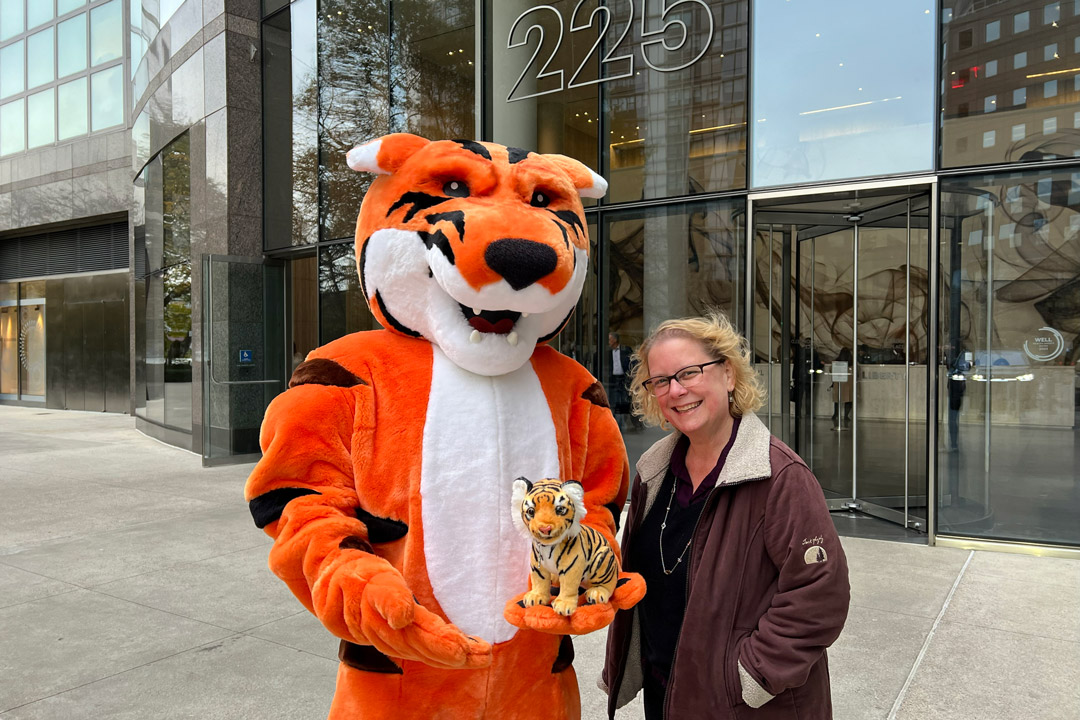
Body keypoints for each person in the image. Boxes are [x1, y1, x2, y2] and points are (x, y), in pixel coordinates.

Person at [601, 310, 850, 720]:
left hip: (742, 707)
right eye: (660, 381)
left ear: (729, 374)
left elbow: (820, 594)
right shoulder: (653, 471)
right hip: (665, 693)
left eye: (689, 372)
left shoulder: (780, 477)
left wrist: (749, 677)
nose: (676, 390)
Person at [831, 346, 853, 430]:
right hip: (848, 385)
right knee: (848, 400)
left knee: (837, 400)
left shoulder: (836, 362)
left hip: (838, 383)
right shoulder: (852, 362)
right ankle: (846, 416)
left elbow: (831, 370)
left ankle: (835, 414)